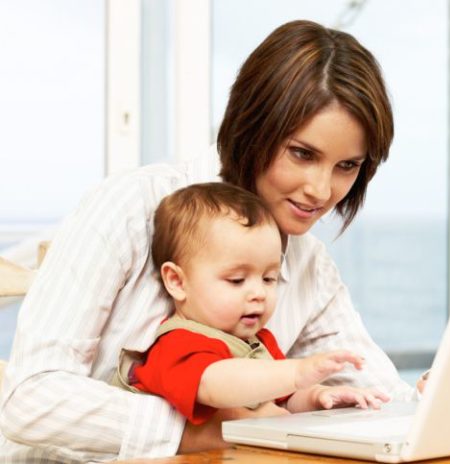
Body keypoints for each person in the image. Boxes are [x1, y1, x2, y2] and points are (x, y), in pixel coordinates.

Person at [0, 20, 419, 462]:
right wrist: (202, 431)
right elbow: (30, 399)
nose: (321, 190)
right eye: (302, 154)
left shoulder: (309, 264)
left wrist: (422, 403)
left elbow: (371, 389)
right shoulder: (130, 207)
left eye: (347, 166)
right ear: (252, 126)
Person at [121, 182, 388, 424]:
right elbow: (215, 384)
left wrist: (320, 396)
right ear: (177, 282)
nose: (258, 293)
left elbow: (283, 401)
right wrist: (296, 371)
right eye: (237, 280)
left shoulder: (260, 342)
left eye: (269, 279)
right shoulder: (177, 345)